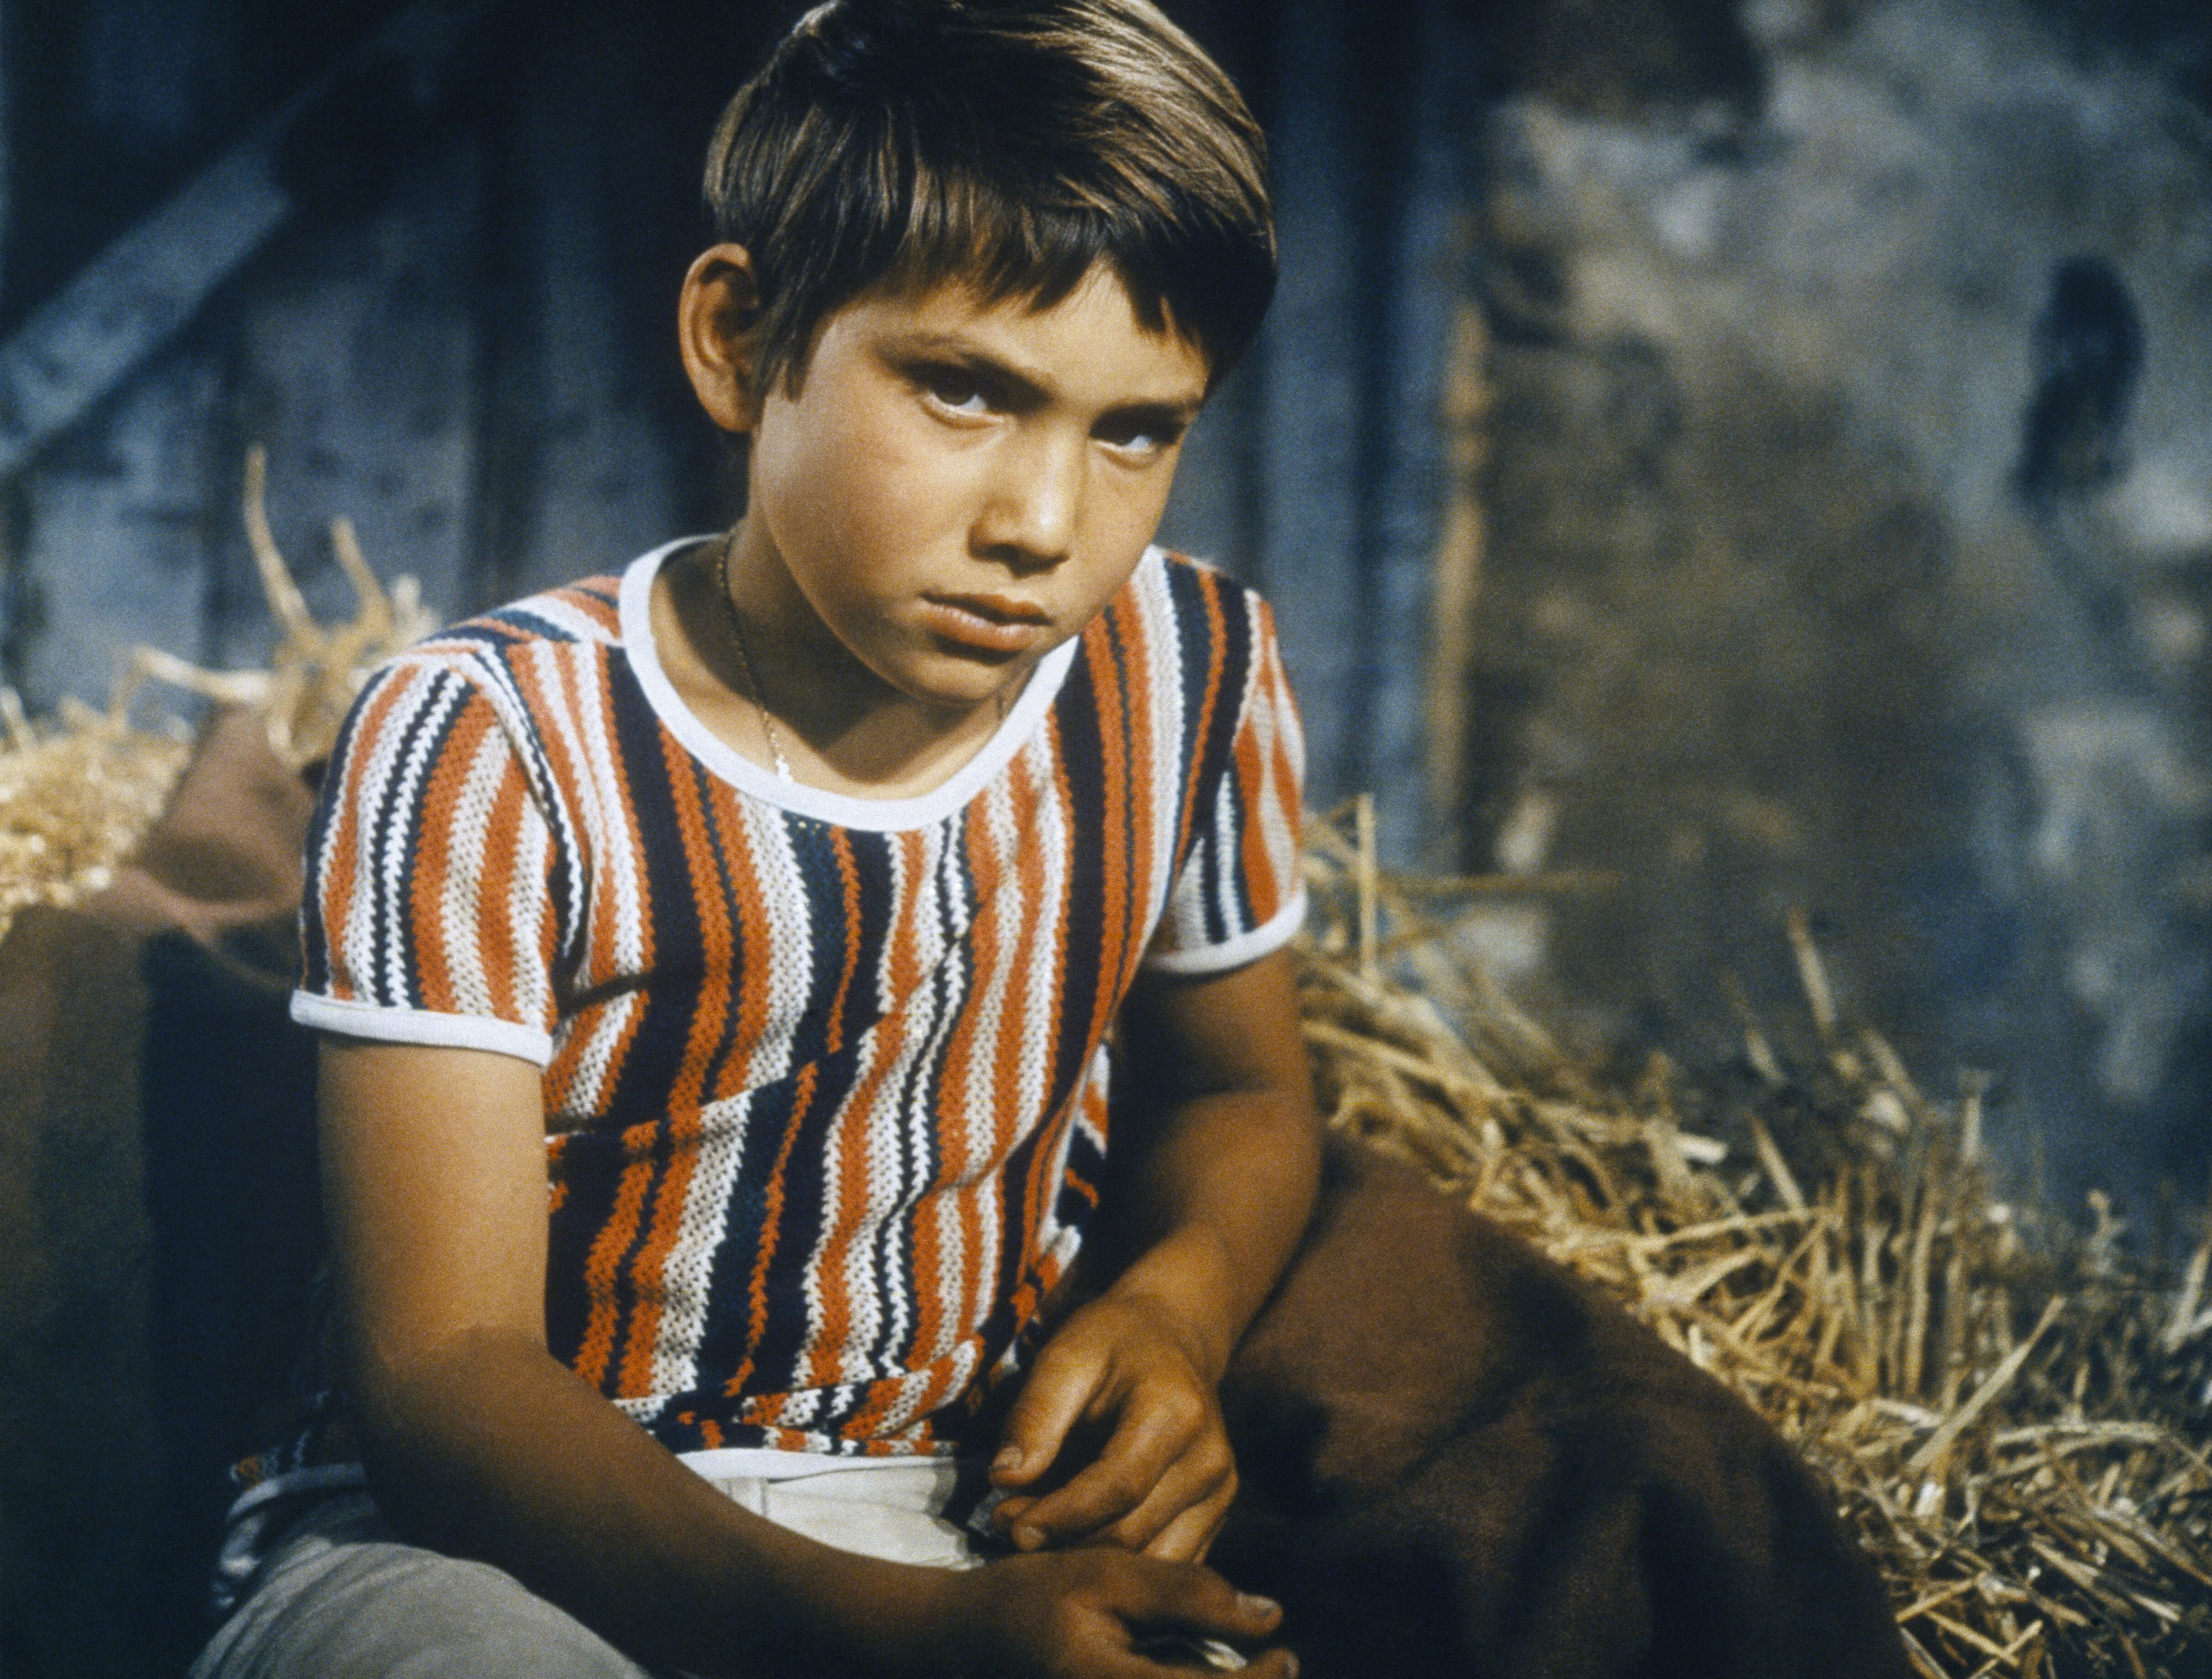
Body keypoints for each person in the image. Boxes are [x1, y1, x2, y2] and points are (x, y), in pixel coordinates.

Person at [190, 1, 1319, 1674]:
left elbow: (1240, 1090)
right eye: (962, 391)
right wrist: (913, 1646)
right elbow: (442, 1382)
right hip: (468, 1547)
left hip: (944, 1509)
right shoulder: (492, 735)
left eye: (1134, 428)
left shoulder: (1191, 671)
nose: (1042, 524)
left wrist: (1175, 1312)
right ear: (738, 339)